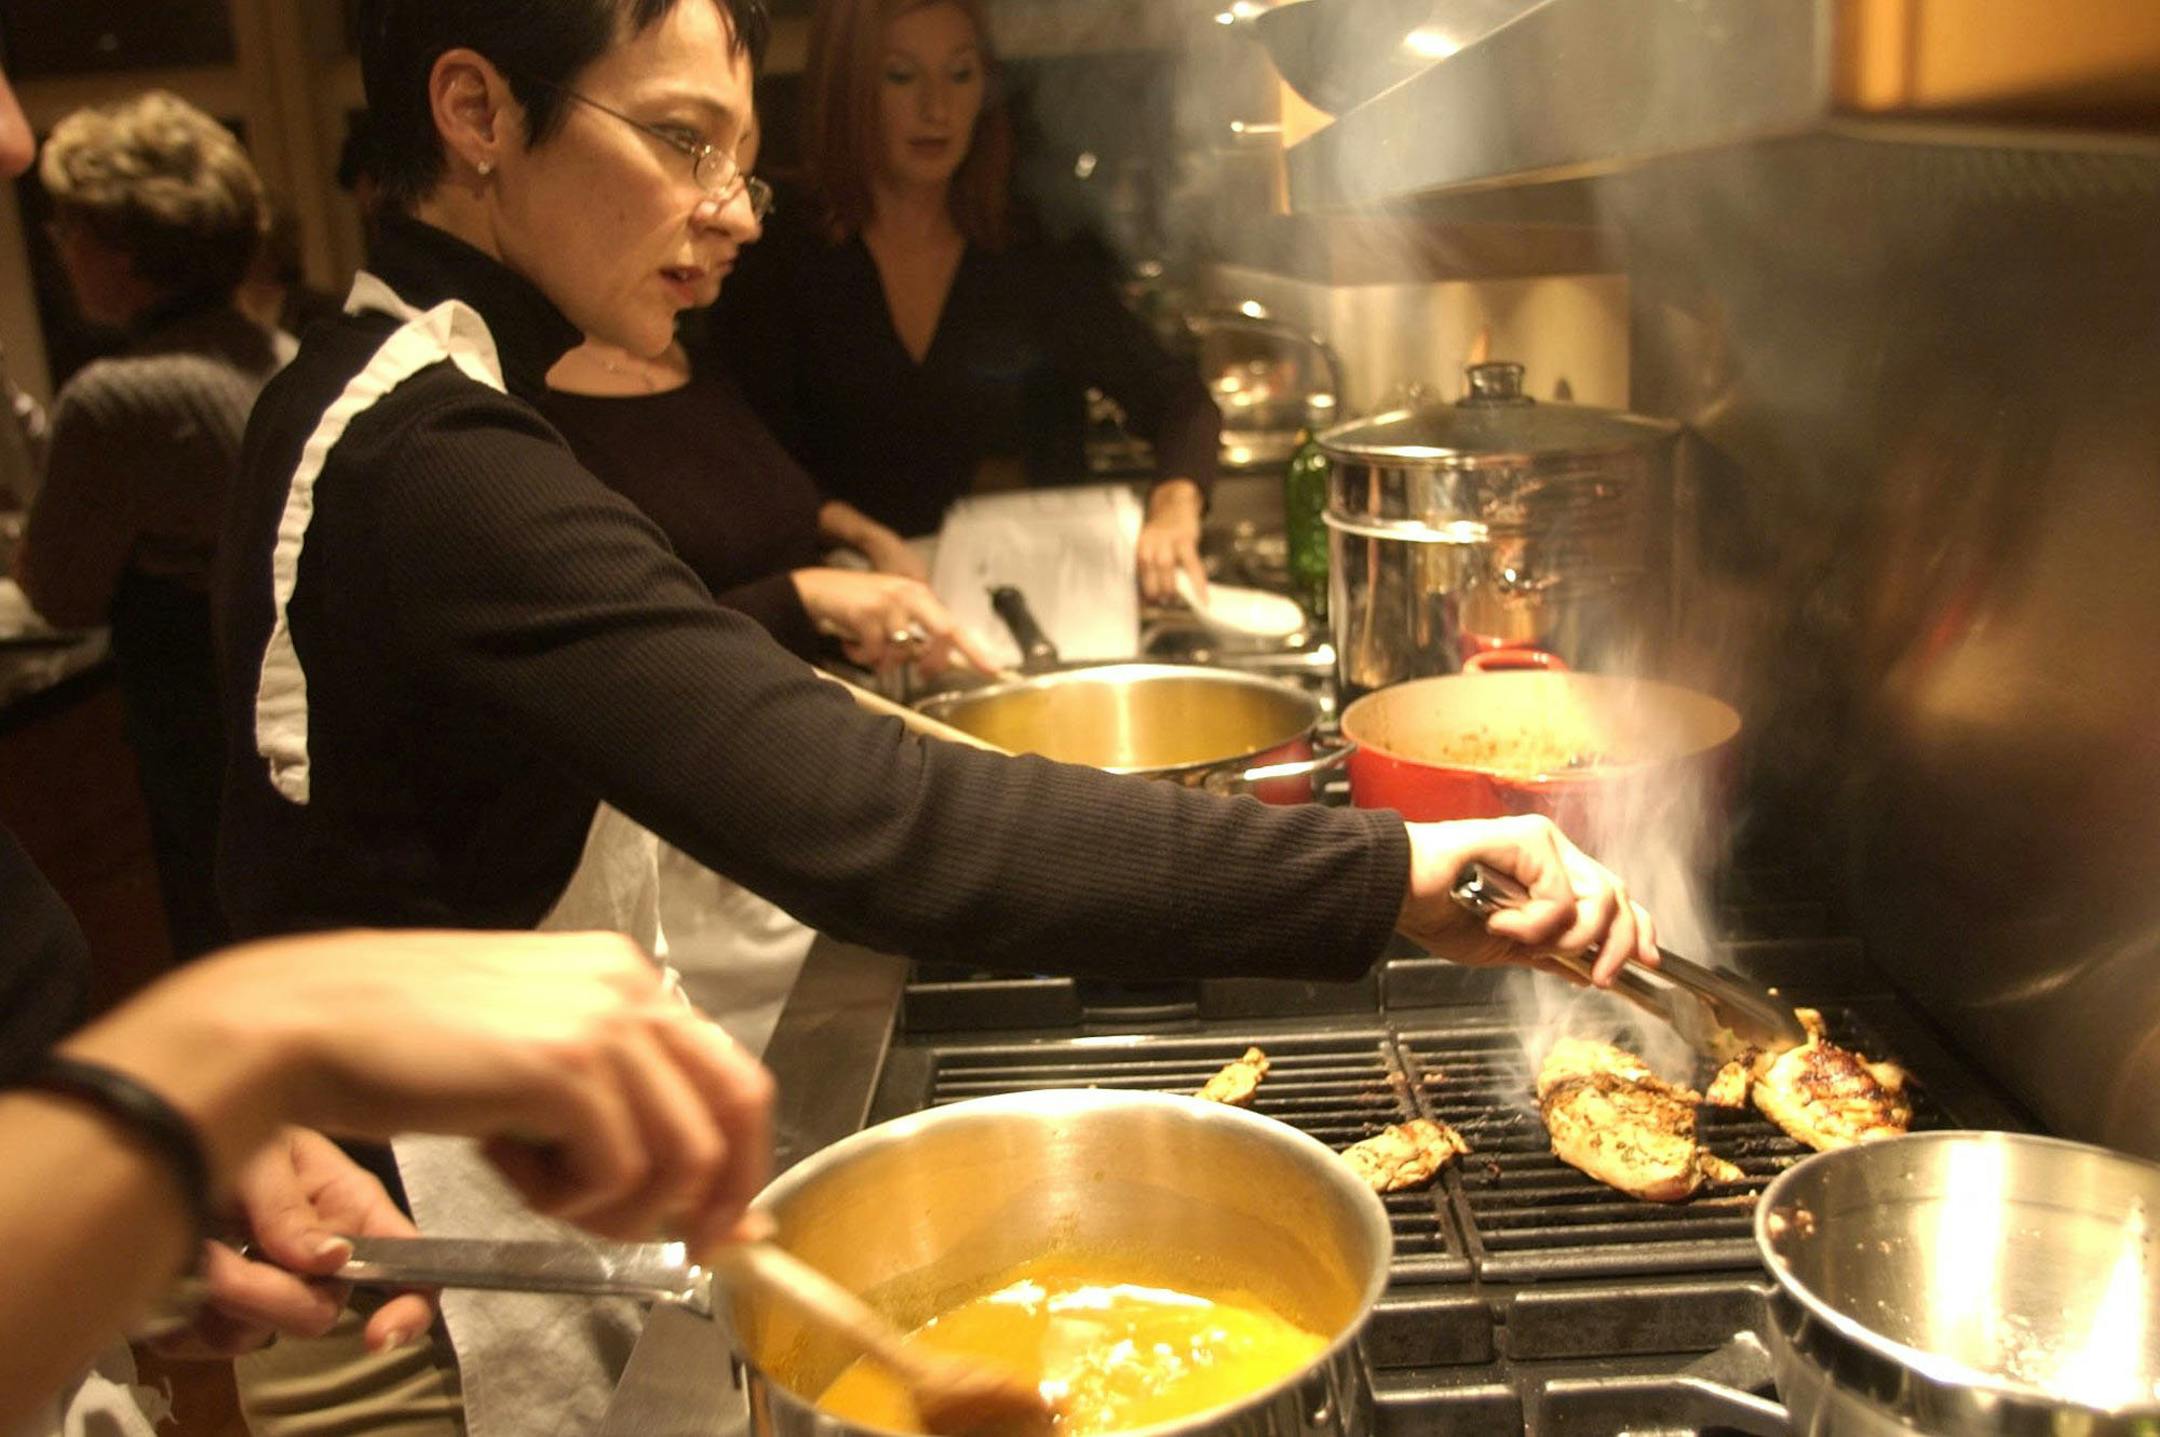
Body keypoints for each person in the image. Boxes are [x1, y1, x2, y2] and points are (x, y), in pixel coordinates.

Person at [214, 0, 1656, 1431]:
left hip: (426, 1195)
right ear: (476, 115)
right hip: (398, 1285)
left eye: (743, 161)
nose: (734, 213)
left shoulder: (406, 397)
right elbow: (883, 823)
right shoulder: (434, 459)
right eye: (682, 142)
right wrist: (1389, 870)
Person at [708, 0, 1214, 601]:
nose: (937, 108)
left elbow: (1179, 398)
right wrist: (859, 536)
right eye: (901, 76)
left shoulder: (1023, 249)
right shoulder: (777, 244)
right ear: (849, 89)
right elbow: (741, 452)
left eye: (960, 74)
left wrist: (1175, 504)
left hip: (996, 601)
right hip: (828, 603)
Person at [16, 90, 291, 962]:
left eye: (72, 232)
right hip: (303, 729)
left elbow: (56, 594)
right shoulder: (285, 356)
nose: (63, 254)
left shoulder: (118, 398)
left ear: (124, 251)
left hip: (203, 737)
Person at [543, 326, 995, 671]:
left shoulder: (688, 352)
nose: (745, 225)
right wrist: (803, 597)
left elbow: (762, 493)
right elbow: (610, 658)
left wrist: (868, 536)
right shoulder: (524, 399)